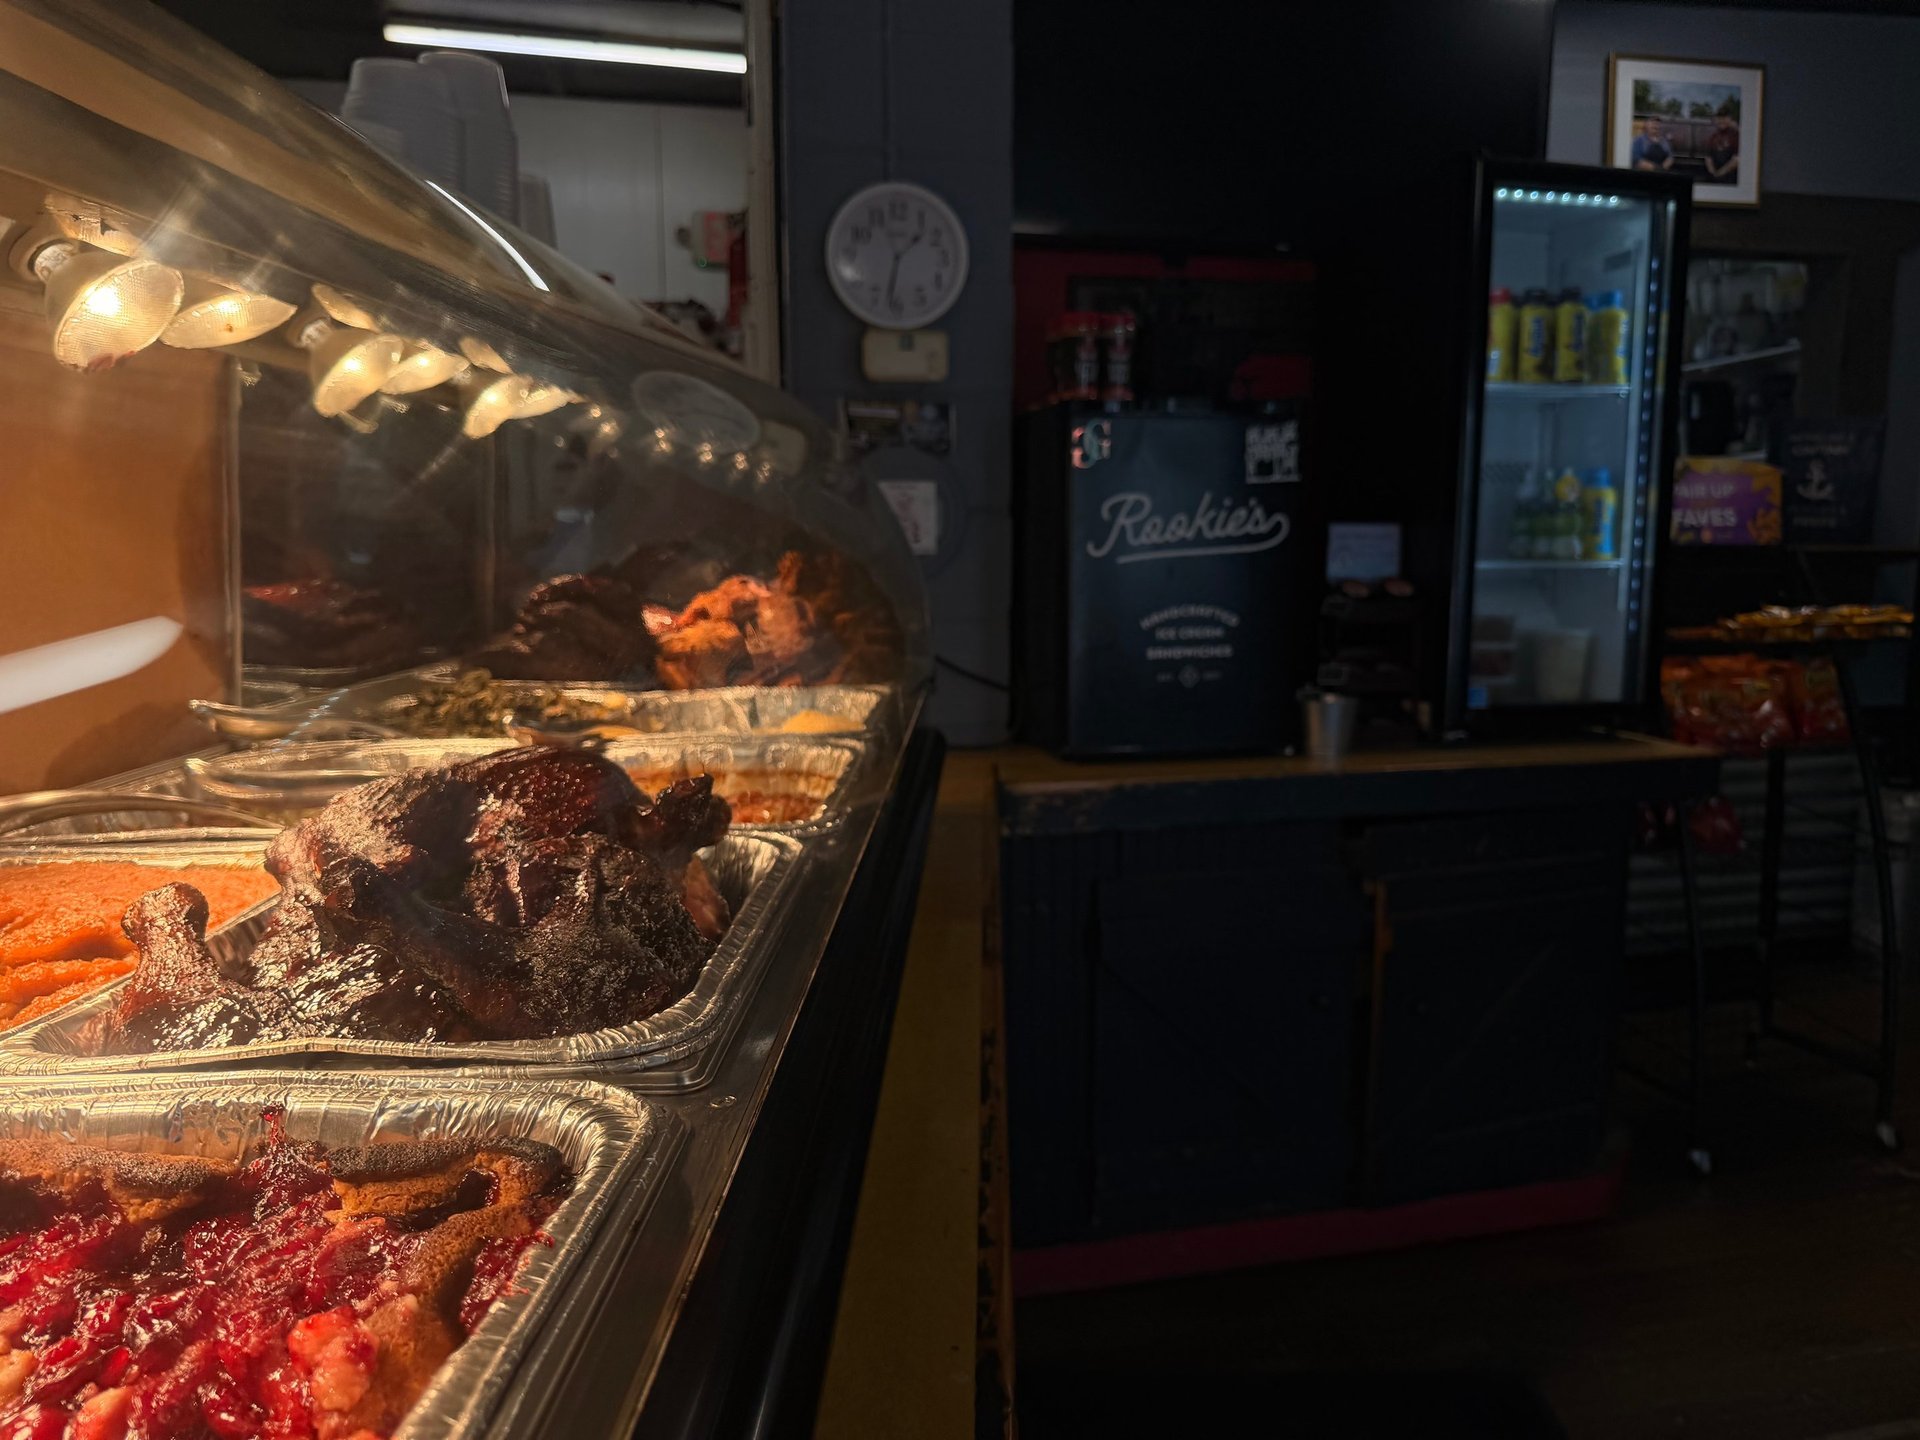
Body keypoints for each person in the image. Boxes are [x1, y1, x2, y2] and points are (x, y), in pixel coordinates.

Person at [1705, 113, 1740, 183]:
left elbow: (1736, 160)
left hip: (1731, 176)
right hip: (1716, 176)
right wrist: (1713, 173)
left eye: (1724, 118)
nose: (1721, 121)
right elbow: (1708, 157)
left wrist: (1720, 173)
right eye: (1719, 119)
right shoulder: (1713, 137)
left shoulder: (1736, 136)